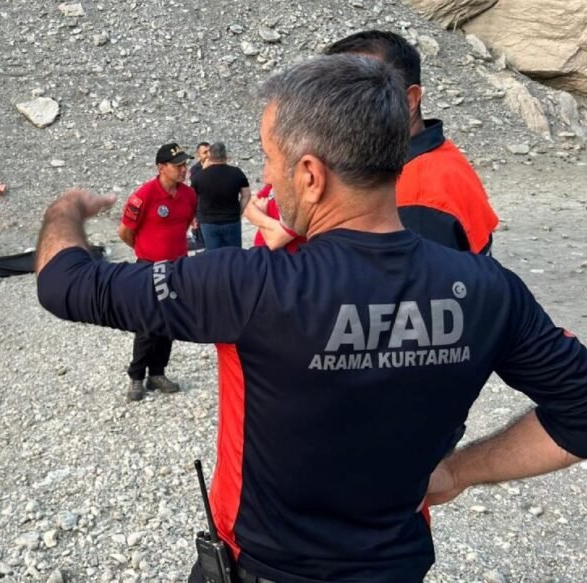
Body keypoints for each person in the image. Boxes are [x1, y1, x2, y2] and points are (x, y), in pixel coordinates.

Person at [35, 55, 587, 583]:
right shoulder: (489, 290)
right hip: (396, 566)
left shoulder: (250, 285)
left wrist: (64, 210)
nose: (268, 182)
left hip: (264, 566)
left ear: (310, 175)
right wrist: (460, 471)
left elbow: (66, 285)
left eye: (271, 162)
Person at [252, 30, 499, 255]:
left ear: (410, 100)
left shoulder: (412, 196)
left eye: (370, 88)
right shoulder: (440, 158)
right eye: (337, 94)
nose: (338, 108)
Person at [115, 143, 198, 402]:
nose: (184, 170)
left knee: (169, 320)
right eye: (178, 165)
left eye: (185, 164)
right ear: (161, 168)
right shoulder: (144, 195)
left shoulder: (189, 195)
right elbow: (125, 232)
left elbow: (184, 224)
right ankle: (136, 376)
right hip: (149, 267)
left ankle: (158, 372)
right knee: (146, 322)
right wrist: (144, 252)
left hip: (177, 268)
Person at [191, 142, 251, 250]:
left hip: (208, 222)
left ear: (210, 155)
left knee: (213, 257)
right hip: (231, 220)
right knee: (234, 255)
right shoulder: (237, 173)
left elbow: (191, 198)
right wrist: (239, 211)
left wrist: (195, 217)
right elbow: (246, 195)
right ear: (225, 155)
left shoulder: (199, 176)